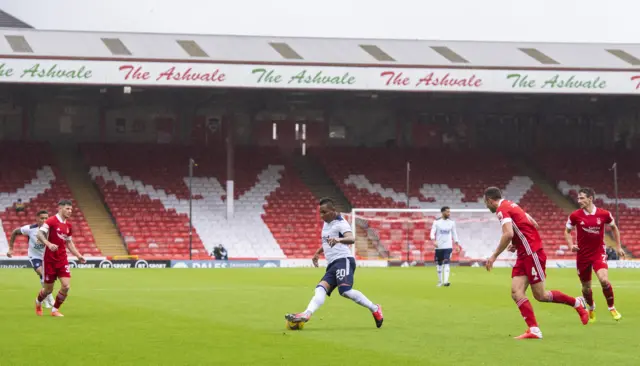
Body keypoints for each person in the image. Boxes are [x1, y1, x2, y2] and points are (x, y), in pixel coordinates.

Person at [483, 187, 589, 340]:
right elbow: (531, 221)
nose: (487, 207)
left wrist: (493, 256)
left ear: (490, 200)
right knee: (516, 292)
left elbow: (508, 233)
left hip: (532, 253)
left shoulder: (501, 210)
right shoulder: (510, 204)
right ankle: (534, 330)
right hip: (524, 252)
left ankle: (577, 303)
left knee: (541, 295)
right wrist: (518, 242)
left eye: (486, 203)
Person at [285, 198, 384, 328]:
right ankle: (306, 314)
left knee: (345, 291)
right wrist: (318, 252)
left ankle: (375, 308)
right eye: (320, 212)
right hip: (332, 264)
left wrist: (338, 239)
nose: (321, 216)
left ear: (333, 211)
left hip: (344, 260)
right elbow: (327, 241)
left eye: (324, 212)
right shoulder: (327, 223)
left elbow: (351, 238)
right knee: (320, 288)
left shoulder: (341, 223)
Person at [564, 187, 624, 322]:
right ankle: (591, 307)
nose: (579, 201)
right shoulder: (575, 215)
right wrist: (570, 245)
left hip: (598, 253)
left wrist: (618, 247)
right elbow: (567, 231)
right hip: (582, 255)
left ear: (590, 199)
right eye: (578, 198)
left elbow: (614, 228)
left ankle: (611, 307)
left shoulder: (604, 214)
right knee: (586, 287)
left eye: (582, 198)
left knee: (604, 280)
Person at [35, 199, 86, 317]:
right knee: (48, 290)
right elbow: (39, 234)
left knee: (66, 286)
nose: (70, 211)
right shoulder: (51, 221)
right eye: (67, 208)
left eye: (71, 209)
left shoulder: (68, 225)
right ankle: (38, 302)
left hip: (62, 259)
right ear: (60, 208)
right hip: (49, 259)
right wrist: (48, 244)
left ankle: (55, 310)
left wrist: (78, 255)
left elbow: (69, 243)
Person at [7, 209, 55, 308]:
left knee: (46, 278)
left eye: (46, 218)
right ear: (37, 219)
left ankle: (44, 298)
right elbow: (15, 232)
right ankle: (50, 298)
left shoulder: (51, 229)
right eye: (42, 218)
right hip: (35, 256)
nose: (44, 220)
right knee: (42, 273)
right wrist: (11, 248)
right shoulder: (30, 229)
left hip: (47, 257)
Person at [430, 206, 461, 287]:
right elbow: (432, 233)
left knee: (447, 262)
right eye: (447, 212)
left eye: (449, 212)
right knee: (439, 265)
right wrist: (433, 241)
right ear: (442, 212)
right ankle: (440, 281)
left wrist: (457, 244)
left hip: (448, 246)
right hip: (439, 247)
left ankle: (446, 281)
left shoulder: (451, 222)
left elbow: (454, 234)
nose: (449, 213)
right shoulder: (436, 222)